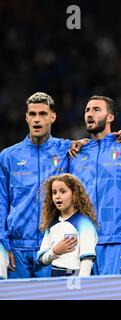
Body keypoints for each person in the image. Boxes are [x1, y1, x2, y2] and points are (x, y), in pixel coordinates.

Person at [0, 92, 72, 278]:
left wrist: (119, 137)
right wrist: (3, 243)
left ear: (52, 117)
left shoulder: (66, 149)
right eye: (32, 114)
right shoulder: (8, 156)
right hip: (17, 247)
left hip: (54, 244)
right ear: (26, 117)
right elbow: (1, 201)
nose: (37, 119)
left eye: (42, 114)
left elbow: (96, 143)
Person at [69, 95, 121, 275]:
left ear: (110, 117)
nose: (89, 114)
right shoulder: (76, 153)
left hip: (118, 238)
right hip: (82, 241)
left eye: (96, 109)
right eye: (87, 110)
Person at [37, 174, 97, 277]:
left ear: (74, 194)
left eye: (63, 191)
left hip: (75, 277)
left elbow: (87, 260)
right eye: (54, 192)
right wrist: (55, 251)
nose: (57, 196)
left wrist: (82, 284)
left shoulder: (84, 223)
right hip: (55, 277)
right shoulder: (51, 224)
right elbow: (42, 259)